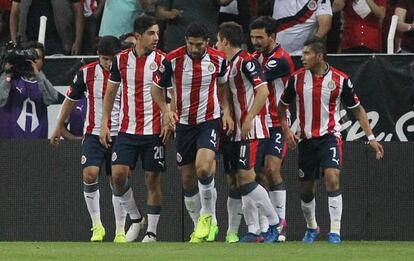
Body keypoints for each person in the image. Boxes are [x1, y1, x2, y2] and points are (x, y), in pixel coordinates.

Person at [277, 37, 384, 244]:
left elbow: (357, 109)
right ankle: (311, 227)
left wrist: (371, 137)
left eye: (307, 53)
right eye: (303, 53)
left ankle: (335, 231)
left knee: (332, 178)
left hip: (330, 137)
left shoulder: (341, 80)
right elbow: (282, 107)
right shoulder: (296, 79)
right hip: (306, 140)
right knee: (307, 190)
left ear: (319, 56)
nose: (303, 57)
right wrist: (287, 130)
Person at [50, 36, 142, 243]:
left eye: (111, 59)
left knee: (117, 180)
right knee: (90, 174)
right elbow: (70, 100)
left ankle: (120, 229)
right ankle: (97, 226)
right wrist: (58, 126)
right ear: (98, 56)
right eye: (104, 59)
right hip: (92, 132)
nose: (108, 63)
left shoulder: (129, 71)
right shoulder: (86, 72)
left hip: (122, 133)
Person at [151, 22, 233, 243]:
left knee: (204, 168)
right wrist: (166, 110)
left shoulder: (218, 60)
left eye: (199, 44)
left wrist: (226, 111)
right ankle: (199, 225)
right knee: (187, 178)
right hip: (184, 123)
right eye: (190, 44)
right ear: (185, 41)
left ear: (207, 42)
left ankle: (207, 216)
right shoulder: (172, 60)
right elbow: (156, 88)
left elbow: (223, 87)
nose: (194, 48)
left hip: (208, 121)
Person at [100, 15, 167, 243]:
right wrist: (104, 123)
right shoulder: (120, 61)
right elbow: (110, 92)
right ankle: (136, 219)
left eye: (157, 33)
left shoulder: (163, 60)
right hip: (127, 130)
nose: (156, 37)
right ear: (137, 36)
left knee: (152, 179)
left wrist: (169, 117)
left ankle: (152, 232)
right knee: (117, 176)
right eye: (151, 33)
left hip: (154, 130)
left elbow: (172, 92)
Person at [216, 21, 281, 243]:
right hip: (235, 132)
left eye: (218, 41)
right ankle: (254, 229)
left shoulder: (247, 62)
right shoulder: (228, 64)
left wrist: (250, 117)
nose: (216, 44)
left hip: (251, 130)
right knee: (238, 179)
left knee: (246, 176)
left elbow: (262, 91)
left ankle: (274, 223)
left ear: (224, 40)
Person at [250, 16, 295, 242]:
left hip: (277, 123)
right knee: (257, 174)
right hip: (259, 123)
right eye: (253, 37)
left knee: (272, 169)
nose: (256, 41)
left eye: (260, 37)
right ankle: (264, 226)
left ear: (272, 37)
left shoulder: (281, 59)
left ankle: (280, 225)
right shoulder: (255, 57)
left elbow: (255, 79)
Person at [0, 41, 63, 138]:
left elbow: (53, 98)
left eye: (37, 58)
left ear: (42, 62)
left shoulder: (42, 83)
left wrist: (38, 74)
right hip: (9, 144)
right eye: (29, 58)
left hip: (37, 145)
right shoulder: (11, 79)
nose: (33, 61)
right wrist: (7, 74)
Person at [9, 0, 84, 55]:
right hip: (27, 42)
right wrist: (14, 42)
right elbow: (14, 14)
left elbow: (78, 11)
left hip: (58, 42)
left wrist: (78, 42)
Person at [155, 0, 233, 52]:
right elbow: (159, 13)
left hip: (205, 41)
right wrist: (170, 14)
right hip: (177, 42)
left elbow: (224, 1)